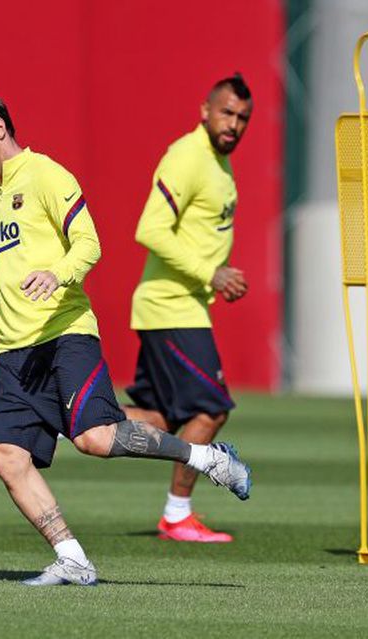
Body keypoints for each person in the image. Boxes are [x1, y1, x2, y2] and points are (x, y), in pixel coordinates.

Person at [0, 88, 251, 586]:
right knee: (5, 454)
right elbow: (17, 268)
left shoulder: (47, 175)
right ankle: (73, 559)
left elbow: (89, 243)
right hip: (14, 349)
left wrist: (59, 275)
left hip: (65, 334)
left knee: (95, 438)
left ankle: (208, 459)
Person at [123, 74, 254, 543]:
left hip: (182, 303)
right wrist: (210, 272)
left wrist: (213, 272)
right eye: (226, 113)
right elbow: (151, 229)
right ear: (204, 110)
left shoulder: (218, 163)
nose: (234, 124)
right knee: (212, 408)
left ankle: (66, 414)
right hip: (171, 305)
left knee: (158, 420)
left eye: (242, 118)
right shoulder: (188, 156)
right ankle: (177, 514)